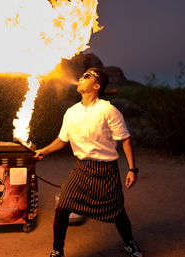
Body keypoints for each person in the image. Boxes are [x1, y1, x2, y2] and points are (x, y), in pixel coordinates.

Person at [34, 68, 144, 257]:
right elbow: (62, 140)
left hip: (106, 169)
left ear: (96, 85)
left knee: (117, 211)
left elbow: (125, 139)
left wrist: (132, 169)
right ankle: (57, 251)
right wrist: (43, 151)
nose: (80, 78)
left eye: (86, 76)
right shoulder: (71, 112)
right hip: (82, 168)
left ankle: (129, 242)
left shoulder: (108, 110)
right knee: (63, 208)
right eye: (82, 75)